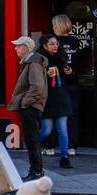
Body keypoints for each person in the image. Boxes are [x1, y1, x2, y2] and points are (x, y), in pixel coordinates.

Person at [8, 35, 48, 179]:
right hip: (31, 106)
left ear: (25, 48)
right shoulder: (30, 62)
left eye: (18, 46)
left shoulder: (33, 63)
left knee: (32, 140)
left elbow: (37, 87)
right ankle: (36, 170)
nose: (16, 48)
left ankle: (36, 171)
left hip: (31, 107)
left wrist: (25, 103)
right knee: (32, 140)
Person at [37, 34, 73, 169]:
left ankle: (65, 157)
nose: (55, 46)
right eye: (51, 44)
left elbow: (69, 81)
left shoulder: (62, 57)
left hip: (60, 97)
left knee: (62, 130)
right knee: (46, 129)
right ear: (45, 46)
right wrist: (46, 74)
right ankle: (33, 145)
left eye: (56, 43)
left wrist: (69, 72)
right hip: (47, 99)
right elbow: (34, 79)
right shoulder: (39, 59)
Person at [50, 14, 84, 155]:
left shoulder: (52, 42)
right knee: (71, 115)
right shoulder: (76, 42)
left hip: (56, 84)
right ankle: (71, 147)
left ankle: (50, 147)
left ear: (56, 26)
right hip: (72, 83)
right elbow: (81, 60)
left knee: (52, 115)